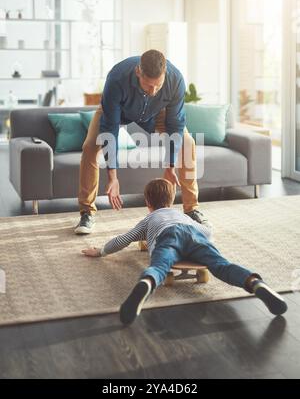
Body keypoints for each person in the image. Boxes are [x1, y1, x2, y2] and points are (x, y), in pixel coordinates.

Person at [82, 178, 288, 326]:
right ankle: (255, 283)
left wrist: (100, 251)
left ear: (147, 203)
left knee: (159, 267)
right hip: (194, 234)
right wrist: (203, 235)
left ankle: (146, 283)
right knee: (221, 265)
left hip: (166, 237)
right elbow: (208, 231)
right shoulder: (183, 216)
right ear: (171, 201)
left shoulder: (148, 220)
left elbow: (123, 240)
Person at [75, 49, 205, 234]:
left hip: (156, 113)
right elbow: (110, 129)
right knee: (89, 147)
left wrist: (170, 166)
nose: (153, 91)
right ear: (138, 72)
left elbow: (175, 124)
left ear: (165, 73)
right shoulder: (117, 78)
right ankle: (86, 212)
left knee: (187, 142)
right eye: (148, 86)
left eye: (158, 86)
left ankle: (192, 209)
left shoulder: (175, 79)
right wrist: (113, 176)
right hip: (119, 112)